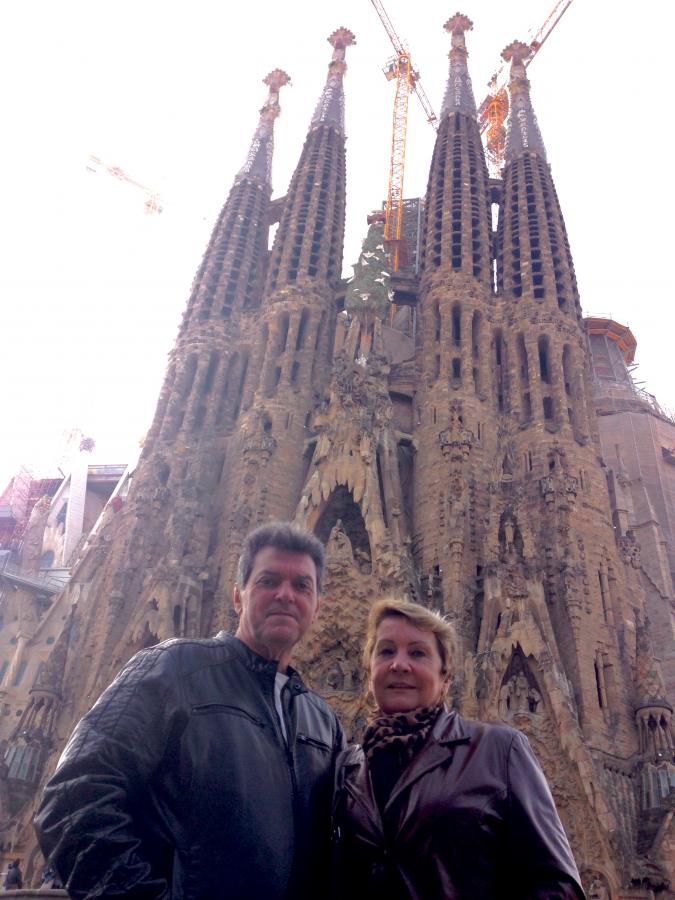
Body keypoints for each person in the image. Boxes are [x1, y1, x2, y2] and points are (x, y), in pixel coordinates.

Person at [35, 522, 344, 899]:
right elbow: (71, 799)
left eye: (301, 586)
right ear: (238, 597)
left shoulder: (323, 722)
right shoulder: (173, 670)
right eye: (268, 581)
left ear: (317, 607)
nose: (285, 595)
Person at [332, 598, 586, 899]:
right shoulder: (348, 769)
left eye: (418, 652)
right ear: (369, 672)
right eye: (386, 651)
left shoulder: (498, 751)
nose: (399, 664)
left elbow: (558, 885)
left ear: (446, 679)